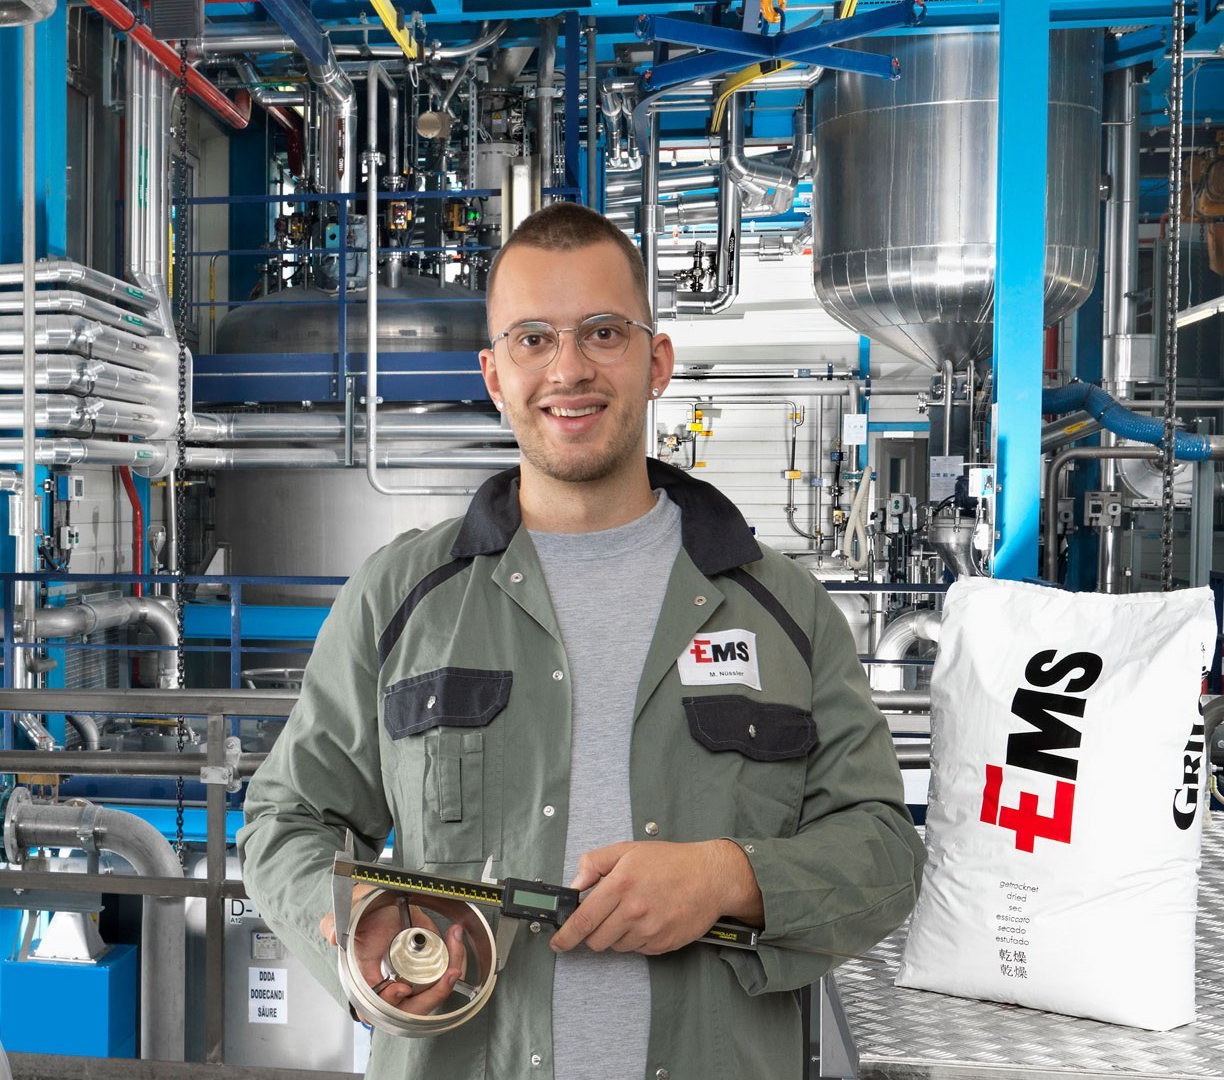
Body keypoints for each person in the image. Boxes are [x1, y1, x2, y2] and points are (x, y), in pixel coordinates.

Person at [237, 202, 924, 1079]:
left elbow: (884, 850)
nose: (568, 369)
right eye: (533, 339)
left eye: (603, 332)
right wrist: (350, 912)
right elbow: (287, 819)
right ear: (494, 374)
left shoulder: (783, 610)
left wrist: (729, 878)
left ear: (656, 361)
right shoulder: (401, 598)